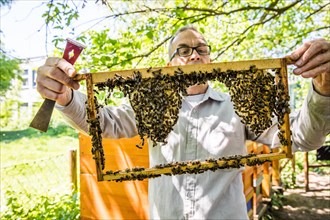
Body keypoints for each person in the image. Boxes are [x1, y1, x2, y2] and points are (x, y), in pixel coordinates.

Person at [36, 25, 330, 219]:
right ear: (169, 64)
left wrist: (323, 90)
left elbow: (302, 138)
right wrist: (65, 98)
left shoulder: (239, 108)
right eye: (184, 50)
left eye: (201, 49)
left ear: (211, 59)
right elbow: (106, 122)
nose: (194, 56)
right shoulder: (151, 105)